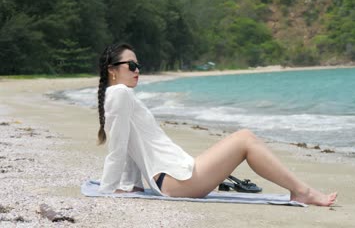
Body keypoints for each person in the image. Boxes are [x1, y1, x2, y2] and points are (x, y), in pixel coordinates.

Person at [97, 43, 337, 206]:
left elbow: (130, 146)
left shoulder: (120, 95)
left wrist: (134, 186)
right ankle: (302, 192)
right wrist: (107, 189)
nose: (137, 70)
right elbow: (118, 148)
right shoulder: (120, 93)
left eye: (138, 65)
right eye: (132, 65)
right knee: (245, 138)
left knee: (244, 138)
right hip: (176, 181)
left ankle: (301, 191)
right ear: (112, 70)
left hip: (175, 177)